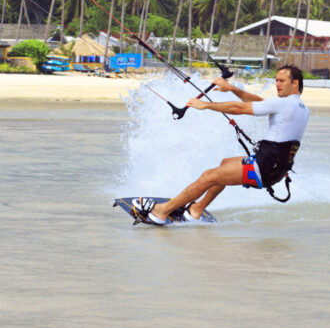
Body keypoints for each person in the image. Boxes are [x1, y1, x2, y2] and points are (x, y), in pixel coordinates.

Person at [133, 64, 310, 225]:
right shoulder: (300, 107)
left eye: (282, 81)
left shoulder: (284, 104)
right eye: (276, 80)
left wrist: (207, 105)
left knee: (208, 176)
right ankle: (196, 209)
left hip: (263, 167)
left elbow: (239, 109)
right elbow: (259, 103)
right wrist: (232, 88)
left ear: (295, 83)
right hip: (274, 168)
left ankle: (161, 212)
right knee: (225, 164)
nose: (277, 84)